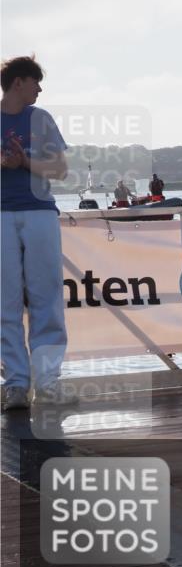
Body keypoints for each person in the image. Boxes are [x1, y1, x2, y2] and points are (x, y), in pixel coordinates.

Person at [1, 55, 75, 411]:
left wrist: (24, 162)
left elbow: (60, 169)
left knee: (47, 299)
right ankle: (16, 384)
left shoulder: (41, 119)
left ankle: (48, 383)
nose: (40, 89)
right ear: (18, 82)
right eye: (35, 82)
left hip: (39, 214)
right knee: (6, 302)